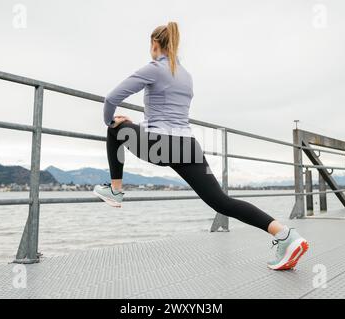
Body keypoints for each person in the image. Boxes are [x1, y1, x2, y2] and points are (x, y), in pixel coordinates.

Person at [94, 22, 309, 270]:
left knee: (114, 128)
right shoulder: (186, 75)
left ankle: (116, 190)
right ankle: (285, 235)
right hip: (188, 146)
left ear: (155, 44)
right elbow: (169, 114)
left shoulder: (154, 68)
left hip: (159, 144)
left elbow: (111, 98)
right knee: (222, 202)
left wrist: (111, 120)